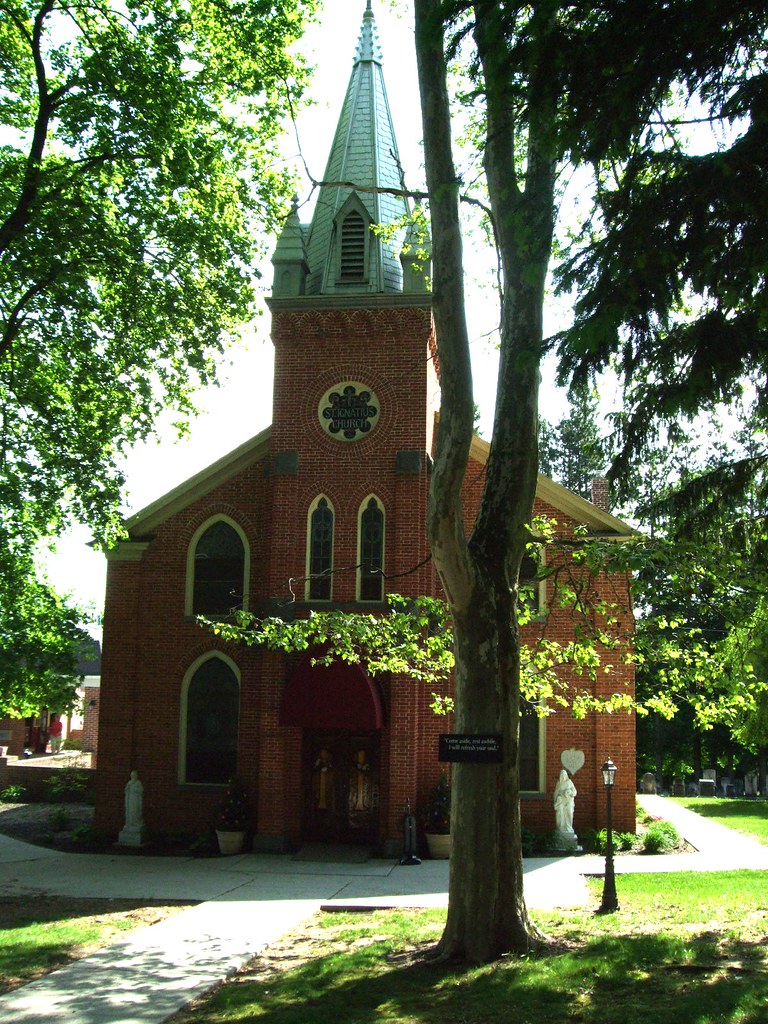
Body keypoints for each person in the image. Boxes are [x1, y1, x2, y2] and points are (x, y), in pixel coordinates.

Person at [553, 768, 577, 833]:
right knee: (559, 814)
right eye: (561, 776)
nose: (563, 777)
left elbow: (574, 792)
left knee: (569, 813)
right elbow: (556, 793)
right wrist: (557, 799)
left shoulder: (569, 782)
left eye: (564, 775)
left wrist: (569, 792)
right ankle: (560, 827)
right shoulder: (559, 783)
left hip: (568, 801)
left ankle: (569, 827)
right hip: (561, 802)